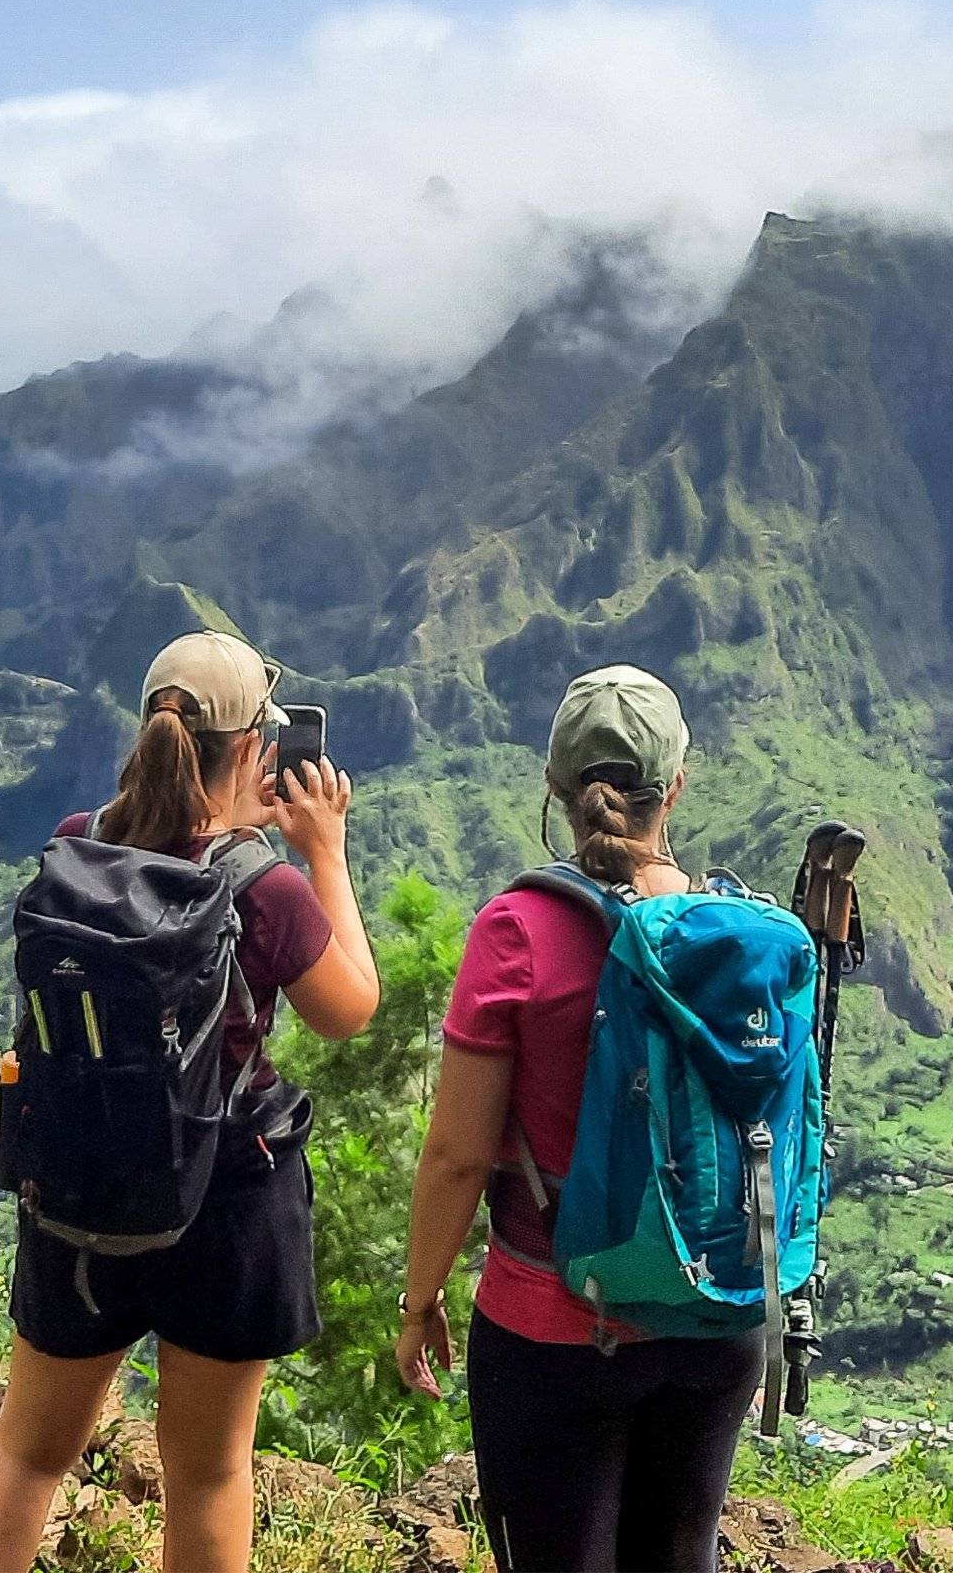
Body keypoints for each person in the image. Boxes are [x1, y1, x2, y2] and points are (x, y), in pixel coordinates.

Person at [0, 630, 380, 1573]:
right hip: (227, 1195)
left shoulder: (75, 845)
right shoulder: (261, 887)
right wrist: (325, 854)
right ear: (261, 750)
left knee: (24, 1454)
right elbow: (351, 1010)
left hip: (79, 1184)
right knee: (210, 1474)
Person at [395, 664, 765, 1573]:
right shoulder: (738, 933)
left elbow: (456, 1155)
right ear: (675, 786)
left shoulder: (516, 930)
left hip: (555, 1326)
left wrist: (419, 1301)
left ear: (555, 788)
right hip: (717, 1318)